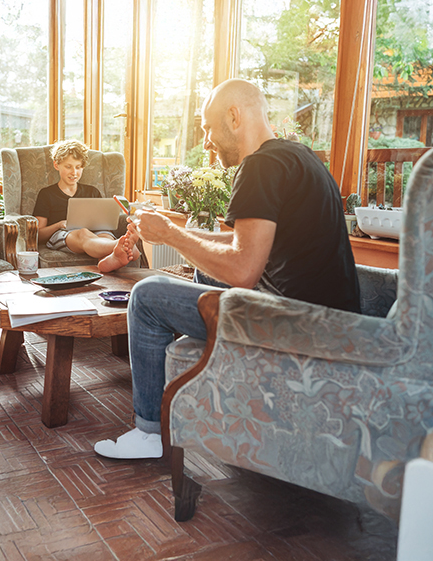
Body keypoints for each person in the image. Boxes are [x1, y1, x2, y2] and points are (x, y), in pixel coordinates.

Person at [94, 78, 361, 459]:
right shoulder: (297, 156)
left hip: (295, 328)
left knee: (146, 296)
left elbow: (242, 270)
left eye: (207, 128)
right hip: (326, 320)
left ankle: (150, 432)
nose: (205, 141)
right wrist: (181, 234)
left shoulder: (259, 167)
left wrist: (170, 234)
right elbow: (247, 247)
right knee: (204, 274)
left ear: (234, 117)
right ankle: (213, 390)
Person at [33, 139, 139, 272]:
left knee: (105, 235)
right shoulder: (46, 194)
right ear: (56, 165)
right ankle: (120, 246)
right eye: (68, 167)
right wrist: (59, 224)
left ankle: (111, 259)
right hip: (62, 234)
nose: (74, 172)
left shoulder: (92, 191)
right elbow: (39, 234)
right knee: (83, 233)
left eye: (78, 167)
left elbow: (103, 223)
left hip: (95, 232)